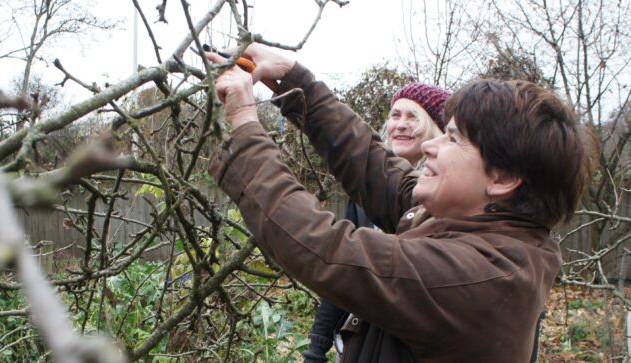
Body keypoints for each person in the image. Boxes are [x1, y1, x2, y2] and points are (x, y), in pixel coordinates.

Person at [207, 44, 591, 362]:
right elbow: (373, 165)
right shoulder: (475, 226)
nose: (429, 145)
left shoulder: (475, 276)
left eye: (453, 138)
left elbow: (322, 248)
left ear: (504, 179)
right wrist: (294, 80)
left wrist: (243, 124)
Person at [302, 83, 451, 363]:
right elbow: (343, 271)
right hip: (352, 343)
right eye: (395, 115)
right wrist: (317, 347)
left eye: (413, 117)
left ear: (434, 130)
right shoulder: (364, 197)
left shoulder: (443, 200)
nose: (401, 125)